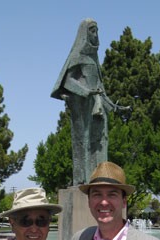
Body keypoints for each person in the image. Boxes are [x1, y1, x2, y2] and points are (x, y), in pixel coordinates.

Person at [51, 19, 129, 186]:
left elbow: (100, 87)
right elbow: (68, 82)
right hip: (82, 105)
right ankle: (82, 178)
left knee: (101, 141)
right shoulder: (78, 55)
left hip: (97, 105)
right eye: (92, 31)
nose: (95, 35)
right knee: (83, 140)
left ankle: (99, 177)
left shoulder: (94, 59)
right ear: (84, 34)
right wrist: (86, 92)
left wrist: (113, 105)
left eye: (96, 31)